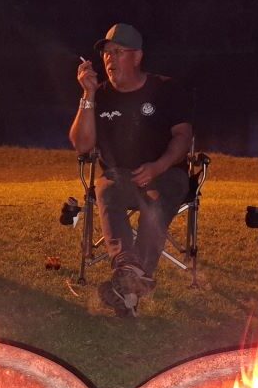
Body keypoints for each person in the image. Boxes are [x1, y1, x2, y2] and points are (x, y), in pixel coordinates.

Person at [69, 23, 193, 316]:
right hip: (119, 175)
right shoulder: (98, 96)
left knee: (155, 200)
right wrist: (87, 96)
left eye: (117, 52)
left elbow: (183, 137)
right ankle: (130, 273)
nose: (109, 59)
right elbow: (82, 146)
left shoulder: (165, 89)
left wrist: (158, 166)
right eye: (106, 53)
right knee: (107, 187)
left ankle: (127, 281)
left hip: (166, 172)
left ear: (137, 57)